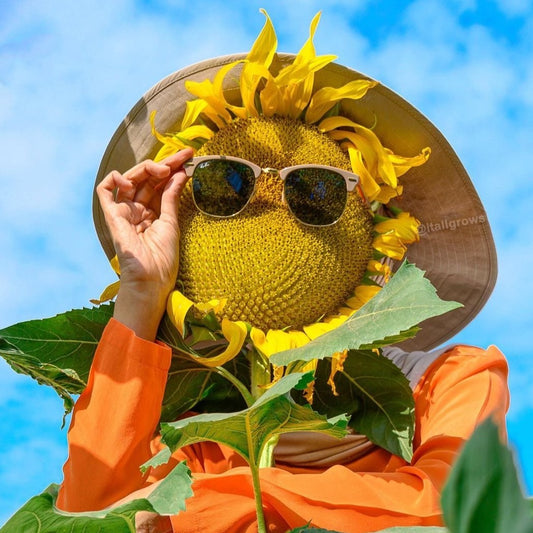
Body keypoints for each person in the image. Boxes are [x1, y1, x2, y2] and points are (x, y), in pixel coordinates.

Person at [55, 11, 509, 533]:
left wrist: (208, 501)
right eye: (223, 184)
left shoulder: (446, 381)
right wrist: (144, 291)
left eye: (318, 191)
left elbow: (450, 507)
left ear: (387, 247)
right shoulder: (193, 430)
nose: (270, 211)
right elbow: (90, 510)